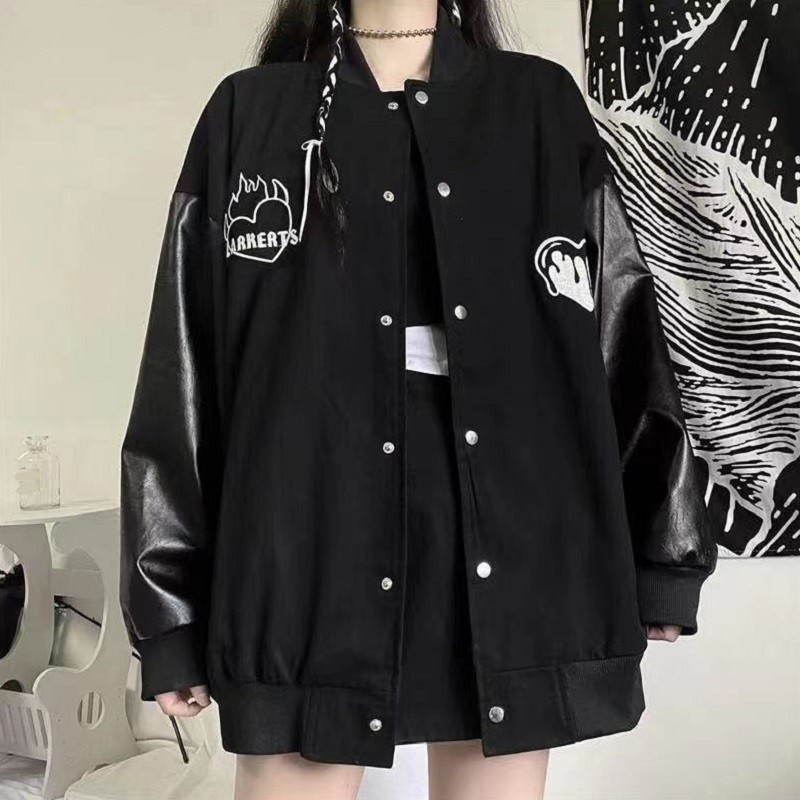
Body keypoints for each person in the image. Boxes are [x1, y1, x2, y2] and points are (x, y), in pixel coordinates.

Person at [119, 1, 719, 798]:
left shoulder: (535, 105)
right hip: (303, 544)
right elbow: (184, 358)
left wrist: (664, 546)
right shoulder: (251, 112)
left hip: (512, 535)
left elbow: (618, 322)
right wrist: (168, 612)